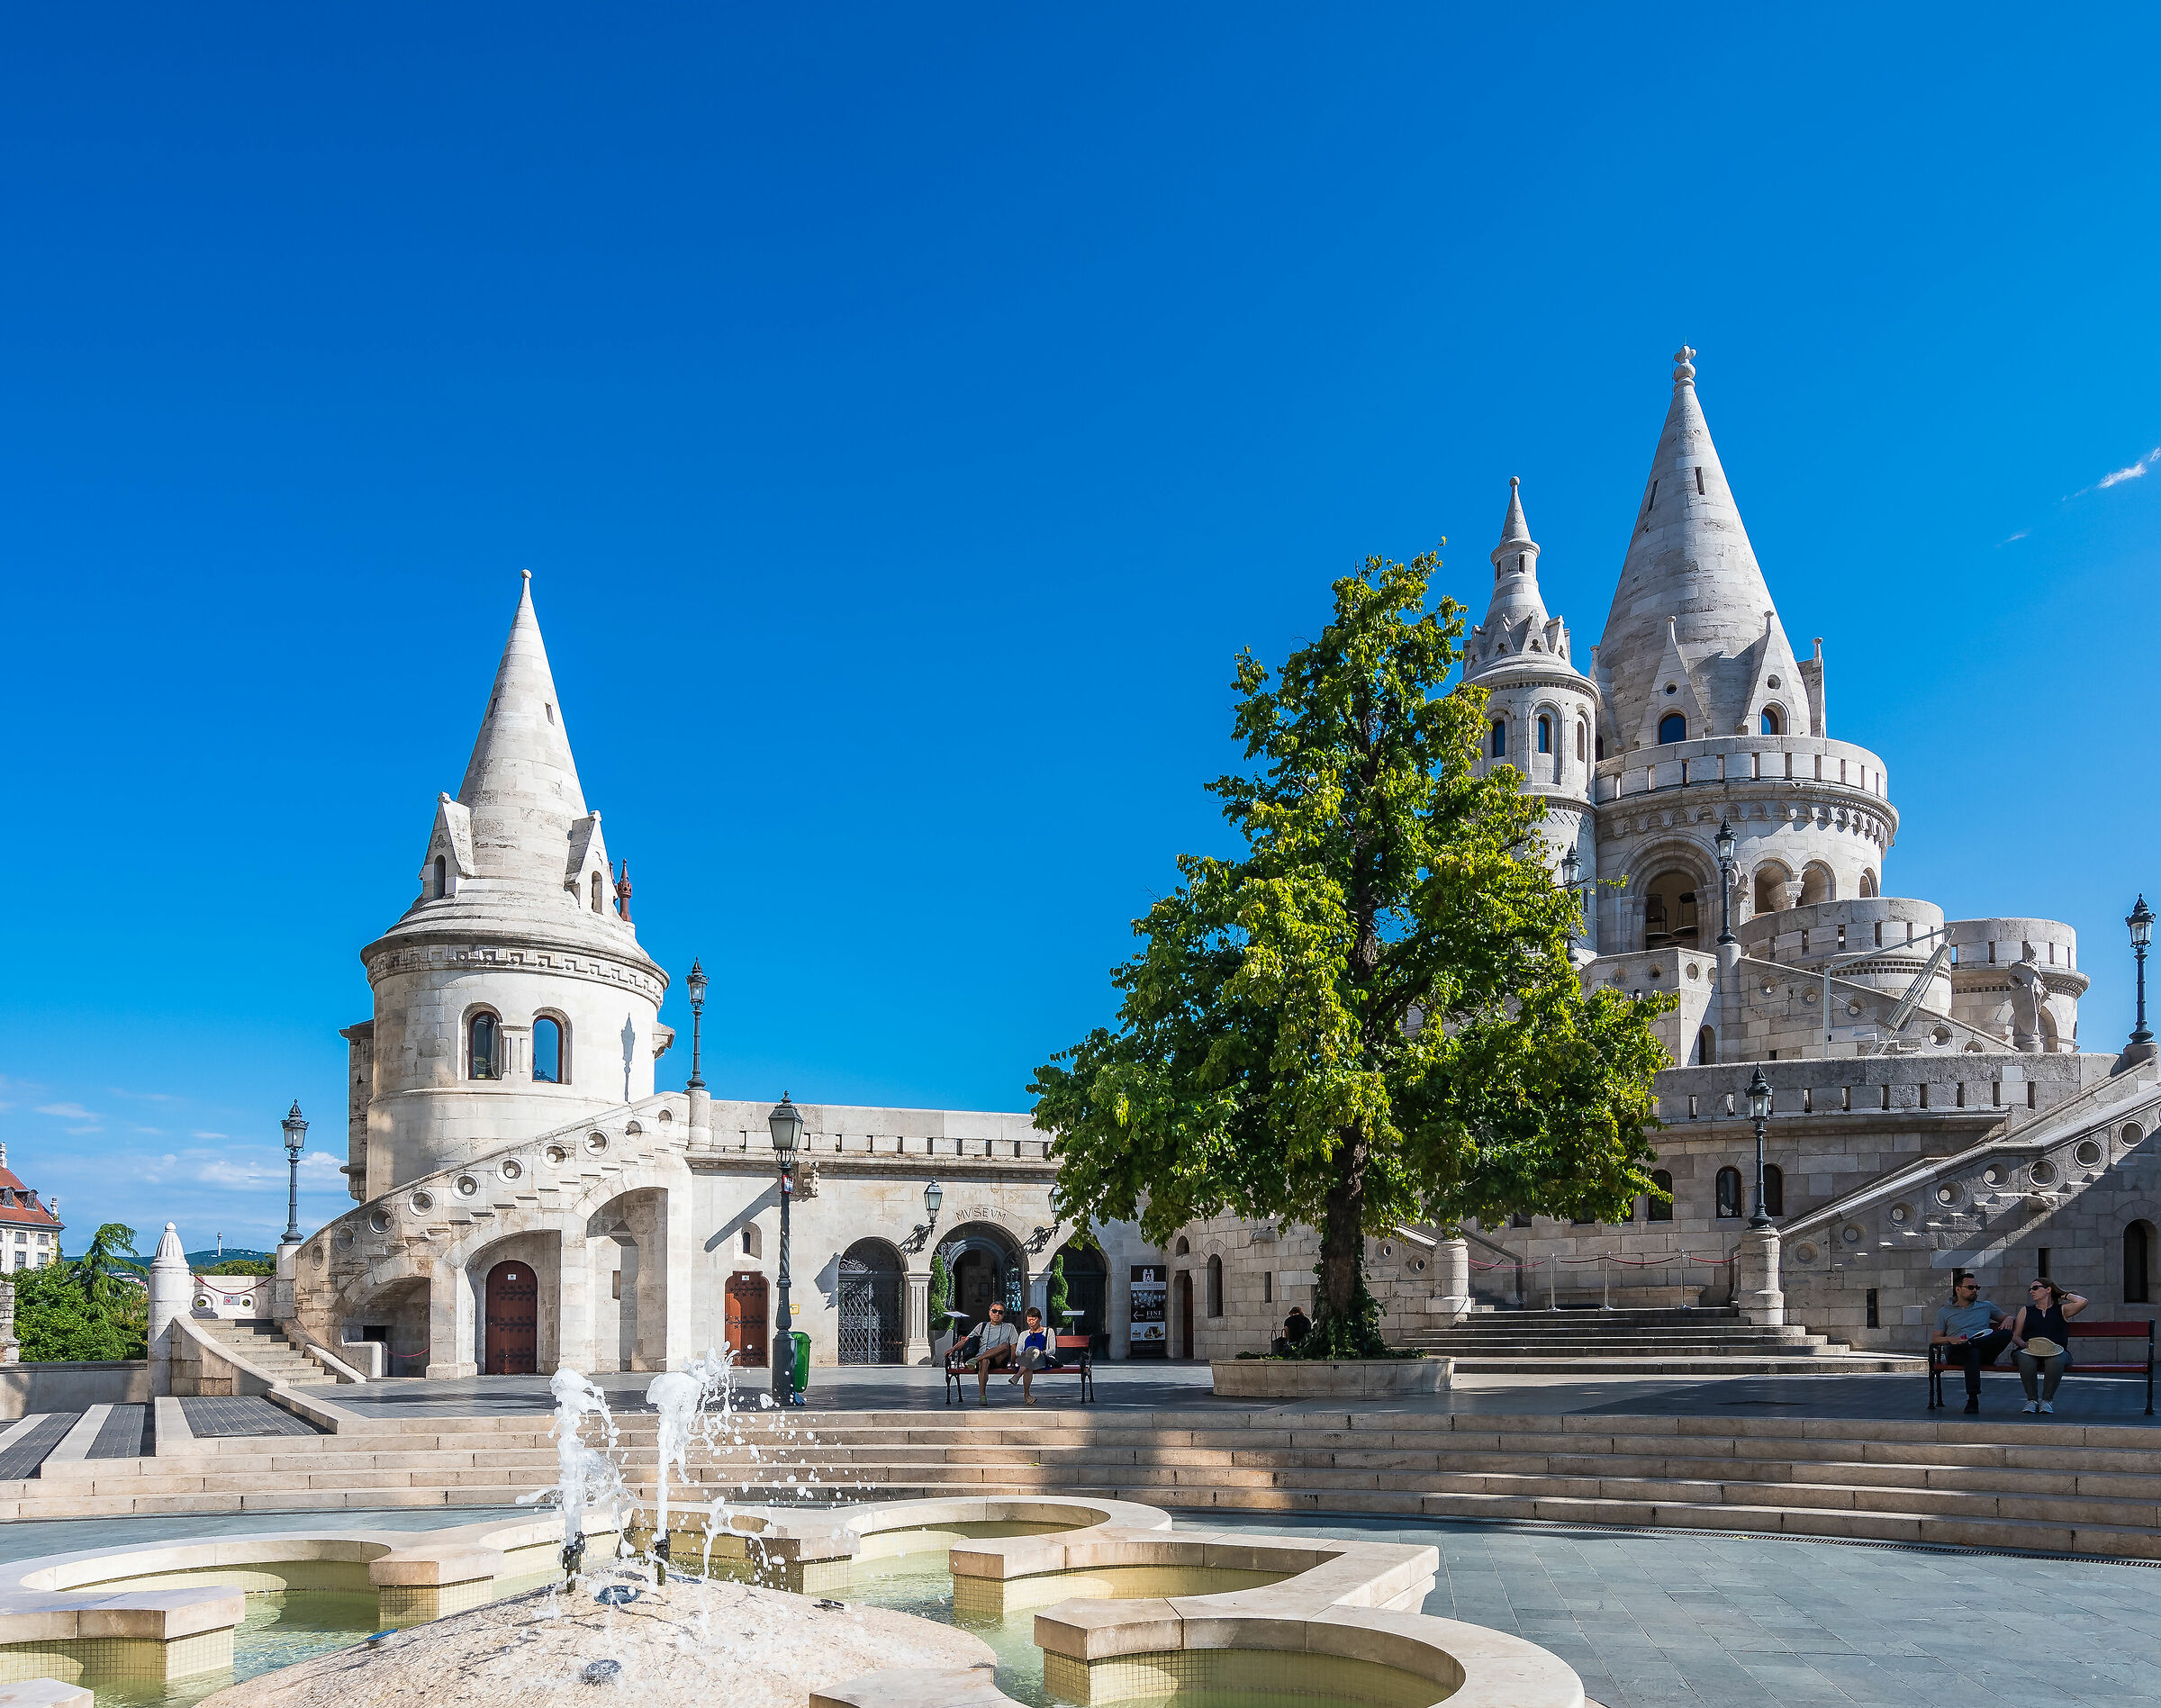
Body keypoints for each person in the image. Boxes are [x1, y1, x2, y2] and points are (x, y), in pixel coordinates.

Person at [1931, 1270, 2012, 1413]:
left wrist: (2009, 1318)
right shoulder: (1944, 1312)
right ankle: (1973, 1398)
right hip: (1958, 1351)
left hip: (1984, 1351)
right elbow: (1936, 1339)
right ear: (1958, 1289)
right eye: (1971, 1287)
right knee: (1971, 1352)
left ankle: (1971, 1343)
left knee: (2005, 1334)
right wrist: (1952, 1339)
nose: (1975, 1290)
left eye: (1977, 1288)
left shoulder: (1986, 1306)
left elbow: (2006, 1318)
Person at [2005, 1278, 2088, 1415]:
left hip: (2056, 1351)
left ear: (2048, 1289)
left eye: (2035, 1288)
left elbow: (2082, 1301)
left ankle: (2046, 1401)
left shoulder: (2062, 1310)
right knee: (2025, 1359)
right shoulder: (2026, 1310)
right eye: (2030, 1289)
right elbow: (2015, 1335)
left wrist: (2062, 1294)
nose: (2031, 1291)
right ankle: (2032, 1400)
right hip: (2029, 1350)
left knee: (2056, 1360)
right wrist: (2023, 1344)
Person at [1007, 1306, 1057, 1404]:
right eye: (1029, 1320)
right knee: (1028, 1363)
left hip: (1042, 1359)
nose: (1031, 1322)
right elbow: (1018, 1351)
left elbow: (1052, 1350)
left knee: (1033, 1353)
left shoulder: (1048, 1331)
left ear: (1040, 1319)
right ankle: (1027, 1396)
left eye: (1034, 1319)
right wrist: (1025, 1353)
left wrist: (1044, 1352)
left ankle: (1017, 1376)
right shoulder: (1024, 1334)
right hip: (1026, 1361)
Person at [972, 1302, 1021, 1403]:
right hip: (984, 1359)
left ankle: (976, 1359)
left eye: (1000, 1312)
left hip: (999, 1359)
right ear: (990, 1313)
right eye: (994, 1311)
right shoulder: (982, 1326)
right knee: (985, 1361)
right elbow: (966, 1340)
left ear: (1003, 1315)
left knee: (1004, 1345)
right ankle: (982, 1396)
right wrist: (952, 1349)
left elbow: (1013, 1347)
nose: (997, 1314)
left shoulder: (1009, 1327)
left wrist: (1013, 1362)